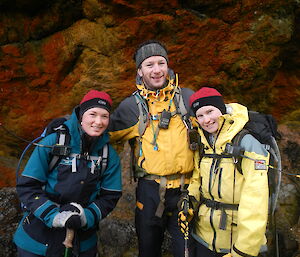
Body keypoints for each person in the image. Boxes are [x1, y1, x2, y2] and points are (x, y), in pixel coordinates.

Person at [109, 40, 195, 257]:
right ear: (140, 71)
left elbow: (216, 117)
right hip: (149, 191)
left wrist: (254, 123)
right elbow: (100, 131)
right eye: (149, 65)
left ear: (168, 66)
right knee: (148, 251)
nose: (156, 70)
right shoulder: (132, 107)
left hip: (187, 190)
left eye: (161, 63)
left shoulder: (186, 98)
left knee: (186, 253)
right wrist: (67, 127)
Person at [13, 90, 122, 257]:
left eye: (104, 116)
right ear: (81, 115)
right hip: (37, 242)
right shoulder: (53, 142)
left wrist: (86, 217)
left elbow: (110, 196)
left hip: (83, 244)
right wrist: (55, 216)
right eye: (92, 114)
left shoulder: (108, 155)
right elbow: (27, 186)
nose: (98, 122)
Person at [187, 87, 269, 257]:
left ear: (222, 110)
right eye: (200, 115)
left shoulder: (246, 142)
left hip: (237, 243)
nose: (206, 120)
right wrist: (188, 202)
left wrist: (244, 249)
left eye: (210, 111)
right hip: (204, 238)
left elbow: (256, 198)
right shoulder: (203, 142)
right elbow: (197, 179)